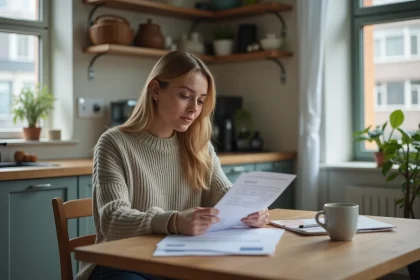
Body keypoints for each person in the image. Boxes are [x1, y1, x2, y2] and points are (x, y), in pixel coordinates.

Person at [76, 51, 269, 280]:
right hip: (124, 266)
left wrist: (250, 209)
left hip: (182, 263)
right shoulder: (114, 143)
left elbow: (224, 195)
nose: (193, 109)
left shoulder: (199, 146)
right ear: (156, 90)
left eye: (200, 101)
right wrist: (174, 221)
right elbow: (112, 219)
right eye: (185, 95)